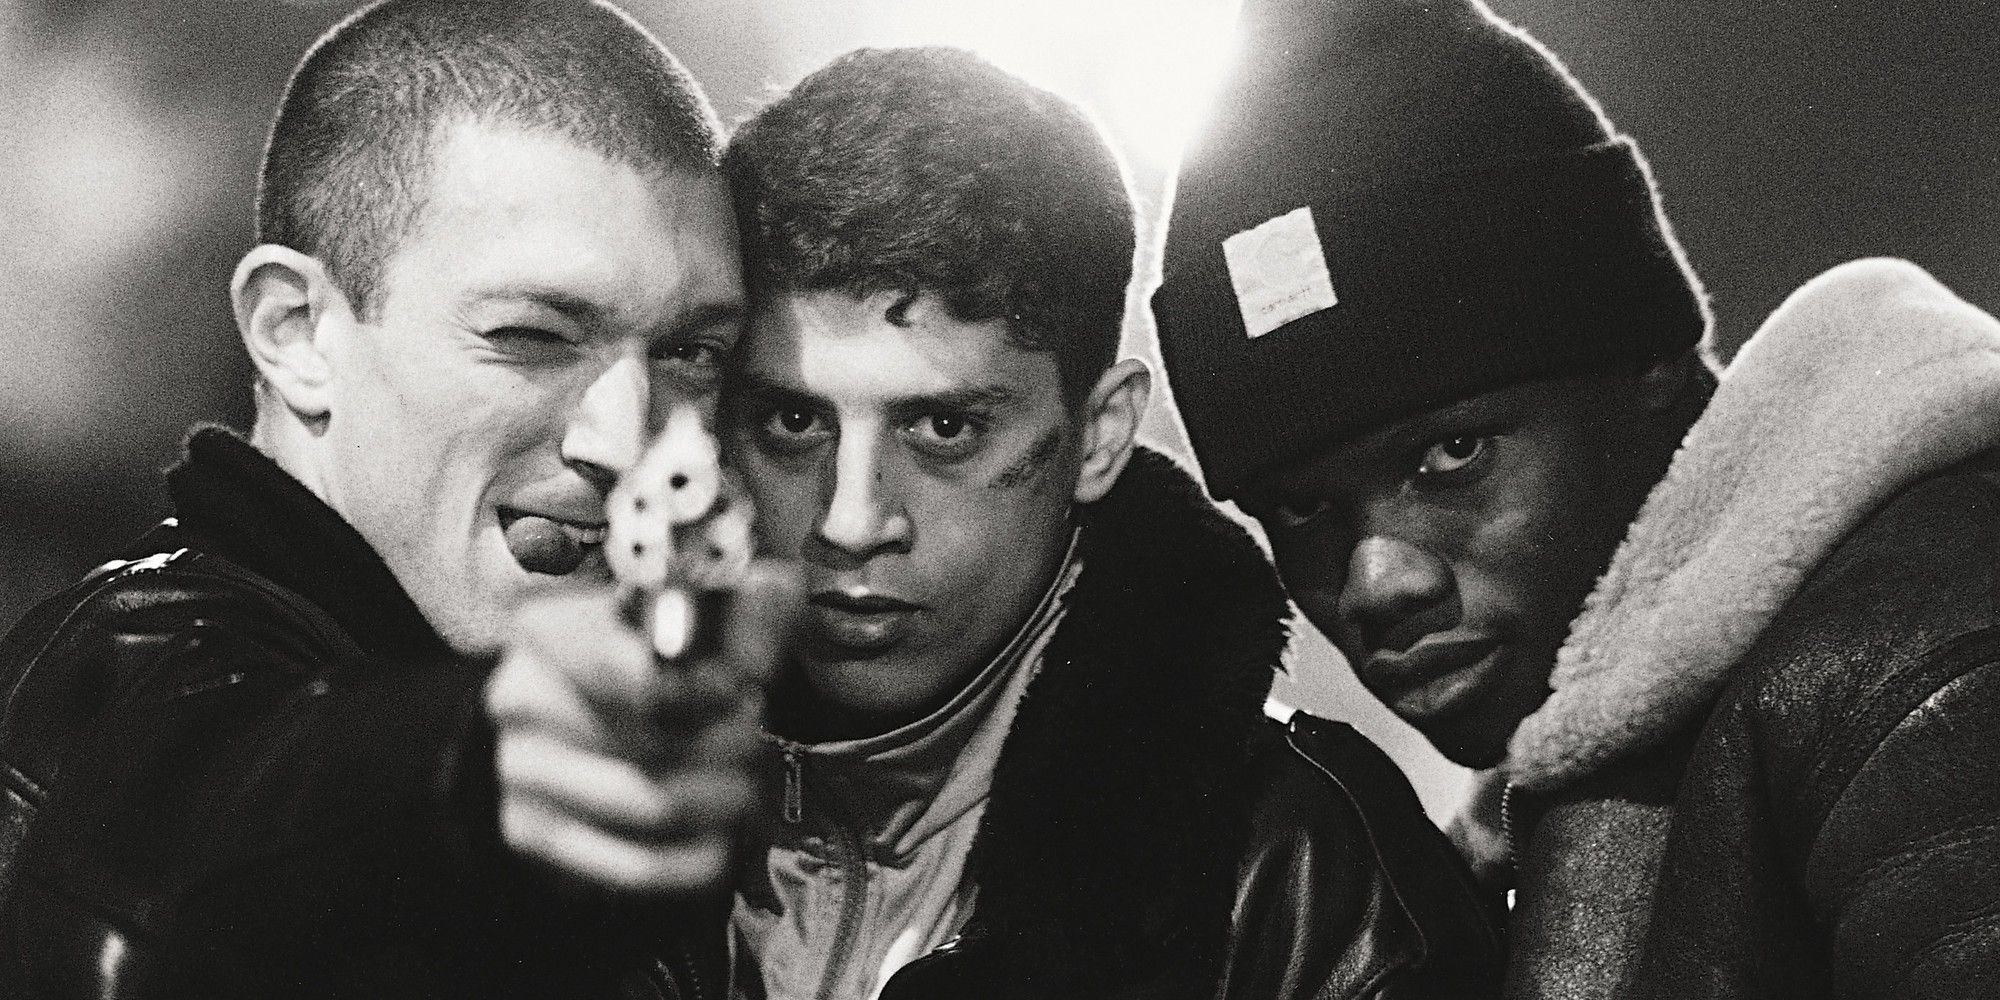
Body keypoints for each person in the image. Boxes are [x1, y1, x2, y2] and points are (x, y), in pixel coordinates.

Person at [1153, 0, 2000, 997]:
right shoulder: (1534, 810)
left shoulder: (1916, 664)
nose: (1375, 580)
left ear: (1643, 355)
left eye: (1449, 453)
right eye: (1298, 508)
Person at [0, 1, 796, 996]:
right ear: (295, 332)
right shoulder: (132, 681)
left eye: (689, 352)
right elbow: (218, 821)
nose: (623, 439)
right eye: (532, 336)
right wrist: (476, 769)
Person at [710, 45, 1500, 998]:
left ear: (1100, 435)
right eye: (793, 422)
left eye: (946, 427)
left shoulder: (1306, 877)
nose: (851, 520)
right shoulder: (551, 810)